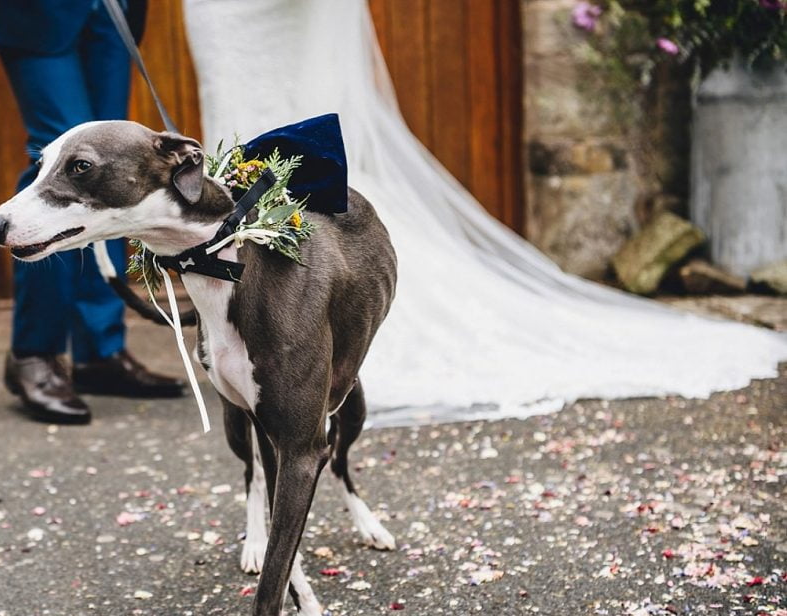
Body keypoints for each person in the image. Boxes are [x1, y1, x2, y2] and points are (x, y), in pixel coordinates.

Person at [181, 0, 787, 427]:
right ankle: (244, 325)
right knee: (233, 144)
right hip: (223, 12)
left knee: (293, 144)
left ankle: (307, 320)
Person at [0, 0, 184, 425]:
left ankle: (99, 350)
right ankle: (34, 352)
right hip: (37, 13)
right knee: (61, 157)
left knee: (108, 163)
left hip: (112, 9)